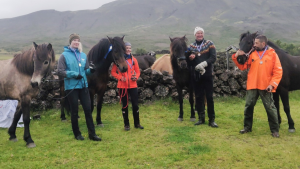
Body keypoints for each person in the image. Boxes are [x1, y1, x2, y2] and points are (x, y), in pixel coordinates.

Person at [232, 35, 282, 137]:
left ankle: (275, 130)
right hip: (252, 85)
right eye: (254, 43)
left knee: (270, 108)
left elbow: (278, 71)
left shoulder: (272, 54)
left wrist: (272, 84)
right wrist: (236, 56)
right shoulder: (252, 54)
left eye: (256, 43)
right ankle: (247, 127)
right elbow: (243, 66)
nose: (254, 45)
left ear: (263, 44)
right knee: (248, 106)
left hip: (266, 86)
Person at [58, 33, 101, 141]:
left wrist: (91, 70)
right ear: (70, 42)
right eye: (74, 40)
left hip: (83, 86)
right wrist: (73, 74)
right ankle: (77, 134)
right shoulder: (64, 56)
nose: (76, 42)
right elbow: (60, 71)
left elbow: (85, 71)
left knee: (88, 109)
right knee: (74, 111)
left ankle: (92, 134)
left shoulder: (83, 55)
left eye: (78, 40)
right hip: (71, 87)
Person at [188, 27, 218, 127]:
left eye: (201, 33)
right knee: (198, 97)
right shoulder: (191, 46)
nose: (199, 35)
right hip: (196, 76)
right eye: (198, 33)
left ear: (203, 34)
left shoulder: (210, 43)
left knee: (209, 97)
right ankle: (201, 118)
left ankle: (212, 120)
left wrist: (204, 63)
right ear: (195, 35)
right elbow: (188, 61)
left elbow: (213, 57)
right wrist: (190, 58)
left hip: (207, 74)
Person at [111, 42, 144, 131]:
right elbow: (113, 72)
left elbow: (137, 71)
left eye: (130, 48)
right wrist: (120, 78)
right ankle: (126, 125)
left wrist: (136, 77)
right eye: (127, 48)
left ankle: (137, 124)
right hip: (122, 86)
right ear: (123, 50)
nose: (128, 49)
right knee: (125, 106)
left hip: (133, 86)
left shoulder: (134, 60)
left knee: (135, 105)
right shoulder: (118, 60)